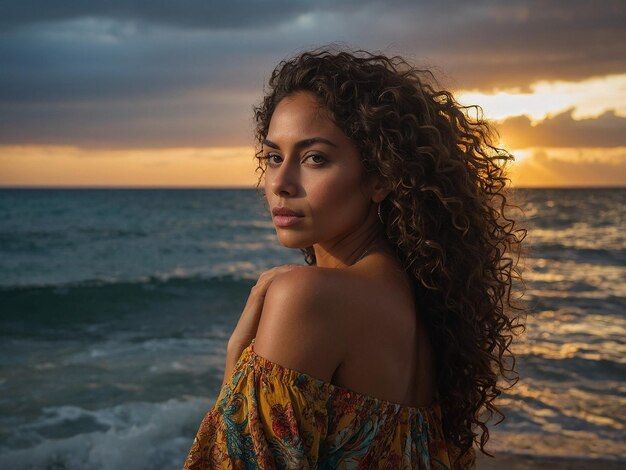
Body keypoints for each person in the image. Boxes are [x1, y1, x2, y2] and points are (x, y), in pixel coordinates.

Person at [183, 45, 527, 469]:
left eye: (315, 158)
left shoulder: (309, 297)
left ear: (380, 177)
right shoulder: (424, 307)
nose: (281, 183)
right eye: (274, 157)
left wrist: (236, 359)